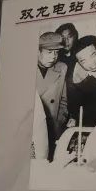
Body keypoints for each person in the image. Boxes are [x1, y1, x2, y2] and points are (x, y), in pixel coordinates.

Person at [36, 31, 68, 161]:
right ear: (38, 51)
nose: (53, 57)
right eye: (49, 52)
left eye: (56, 52)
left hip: (53, 128)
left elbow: (63, 101)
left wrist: (58, 122)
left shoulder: (61, 68)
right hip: (34, 129)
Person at [66, 35, 96, 128]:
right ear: (78, 63)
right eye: (83, 61)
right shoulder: (75, 78)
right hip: (90, 124)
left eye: (93, 55)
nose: (91, 64)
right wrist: (73, 118)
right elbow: (74, 107)